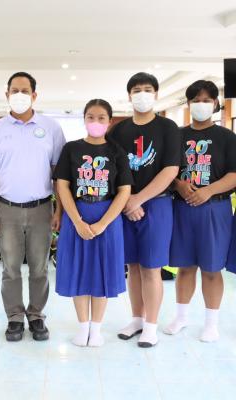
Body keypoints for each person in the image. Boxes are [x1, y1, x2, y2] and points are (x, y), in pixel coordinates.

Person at [0, 72, 66, 342]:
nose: (19, 95)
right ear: (6, 95)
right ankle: (14, 317)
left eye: (25, 91)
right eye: (14, 90)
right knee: (11, 268)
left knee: (39, 267)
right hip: (7, 210)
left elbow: (59, 175)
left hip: (41, 209)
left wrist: (59, 210)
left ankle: (36, 315)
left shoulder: (51, 128)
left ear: (34, 95)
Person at [109, 72, 181, 347]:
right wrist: (128, 200)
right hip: (126, 204)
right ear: (129, 95)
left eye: (147, 89)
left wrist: (138, 199)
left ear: (156, 94)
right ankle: (137, 319)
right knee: (133, 266)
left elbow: (170, 169)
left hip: (157, 203)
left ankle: (151, 325)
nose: (142, 94)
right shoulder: (118, 131)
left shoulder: (168, 127)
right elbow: (114, 169)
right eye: (136, 90)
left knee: (151, 268)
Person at [54, 99, 132, 347]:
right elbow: (62, 186)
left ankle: (96, 329)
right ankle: (82, 327)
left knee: (102, 272)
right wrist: (76, 221)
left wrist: (103, 224)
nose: (95, 122)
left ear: (109, 121)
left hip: (107, 217)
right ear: (84, 119)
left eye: (101, 118)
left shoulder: (117, 151)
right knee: (78, 270)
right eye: (90, 117)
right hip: (76, 215)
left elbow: (124, 190)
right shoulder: (71, 149)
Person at [165, 80, 236, 342]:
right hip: (181, 208)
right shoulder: (176, 136)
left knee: (211, 269)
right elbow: (166, 170)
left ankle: (211, 323)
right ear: (188, 104)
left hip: (215, 209)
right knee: (185, 267)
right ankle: (181, 317)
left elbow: (234, 174)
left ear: (216, 104)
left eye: (207, 100)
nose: (201, 104)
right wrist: (178, 184)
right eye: (196, 100)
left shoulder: (227, 137)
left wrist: (208, 190)